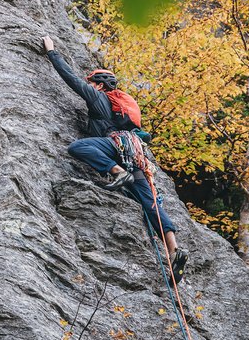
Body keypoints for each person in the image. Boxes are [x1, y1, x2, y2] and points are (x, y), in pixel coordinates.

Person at [41, 35, 189, 283]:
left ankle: (117, 171)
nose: (91, 86)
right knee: (150, 202)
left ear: (99, 85)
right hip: (134, 153)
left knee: (78, 147)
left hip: (115, 147)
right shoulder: (120, 109)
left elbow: (72, 80)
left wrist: (52, 52)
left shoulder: (99, 98)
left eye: (93, 83)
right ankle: (174, 250)